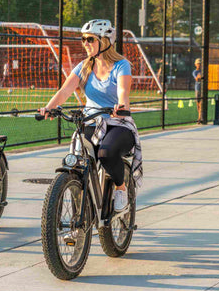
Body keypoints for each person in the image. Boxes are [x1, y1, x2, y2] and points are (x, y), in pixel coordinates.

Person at [38, 19, 142, 212]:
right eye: (83, 39)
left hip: (118, 122)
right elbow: (64, 91)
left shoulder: (121, 65)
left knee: (106, 153)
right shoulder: (84, 66)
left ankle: (120, 188)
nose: (85, 43)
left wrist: (121, 106)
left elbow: (123, 92)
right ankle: (81, 214)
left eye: (90, 39)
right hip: (92, 120)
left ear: (104, 41)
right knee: (77, 160)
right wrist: (49, 108)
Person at [193, 58, 203, 124]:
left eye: (200, 64)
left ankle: (200, 118)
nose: (199, 65)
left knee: (201, 103)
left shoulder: (203, 71)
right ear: (195, 64)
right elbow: (197, 79)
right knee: (198, 103)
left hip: (202, 89)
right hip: (197, 89)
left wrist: (200, 77)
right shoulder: (194, 72)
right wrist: (199, 77)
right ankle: (199, 115)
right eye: (197, 64)